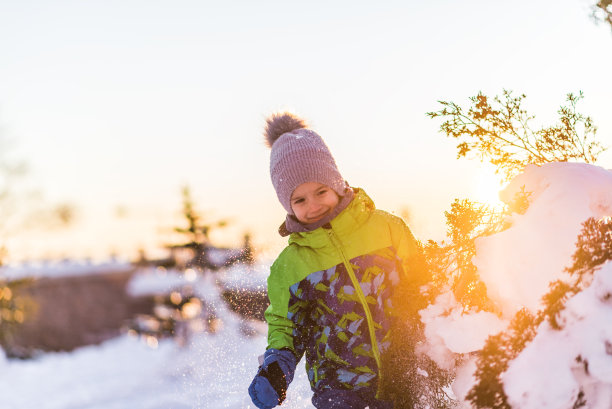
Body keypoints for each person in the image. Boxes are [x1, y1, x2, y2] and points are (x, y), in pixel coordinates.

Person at [248, 112, 421, 409]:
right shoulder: (290, 266)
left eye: (320, 191)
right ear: (287, 206)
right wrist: (277, 365)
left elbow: (423, 284)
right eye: (299, 200)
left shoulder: (387, 229)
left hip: (404, 373)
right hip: (338, 389)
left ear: (337, 184)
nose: (313, 206)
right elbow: (285, 326)